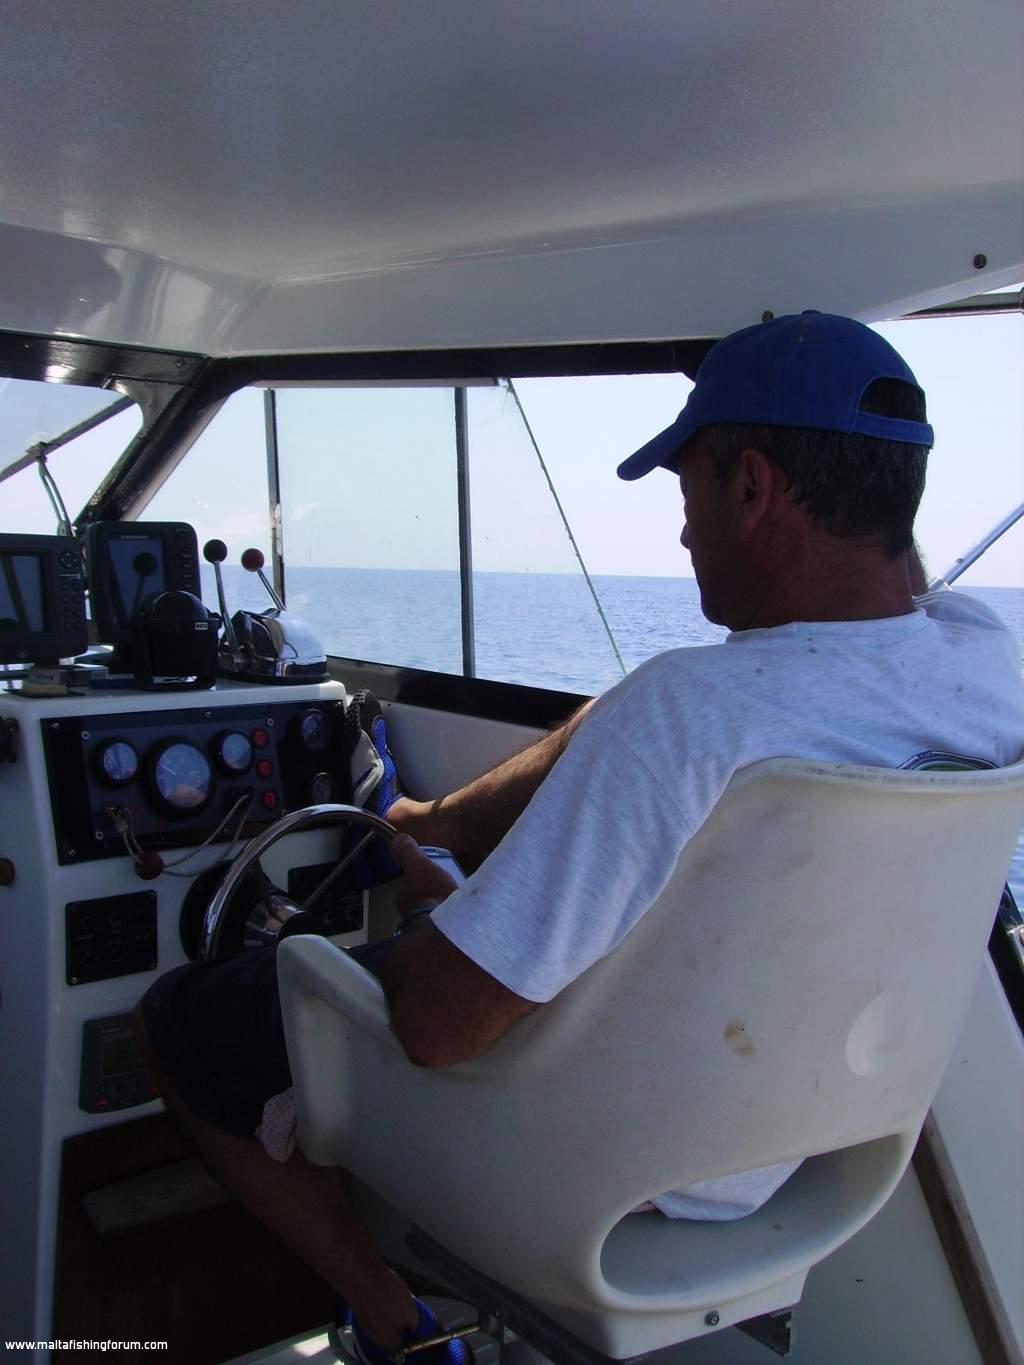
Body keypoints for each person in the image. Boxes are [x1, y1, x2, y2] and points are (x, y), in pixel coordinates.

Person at [135, 310, 1024, 1362]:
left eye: (688, 488)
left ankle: (393, 1325)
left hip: (576, 1167)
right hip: (799, 1155)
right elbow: (807, 665)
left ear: (751, 487)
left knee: (189, 1023)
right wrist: (447, 834)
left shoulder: (693, 716)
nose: (684, 530)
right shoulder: (989, 666)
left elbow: (435, 1027)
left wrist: (452, 918)